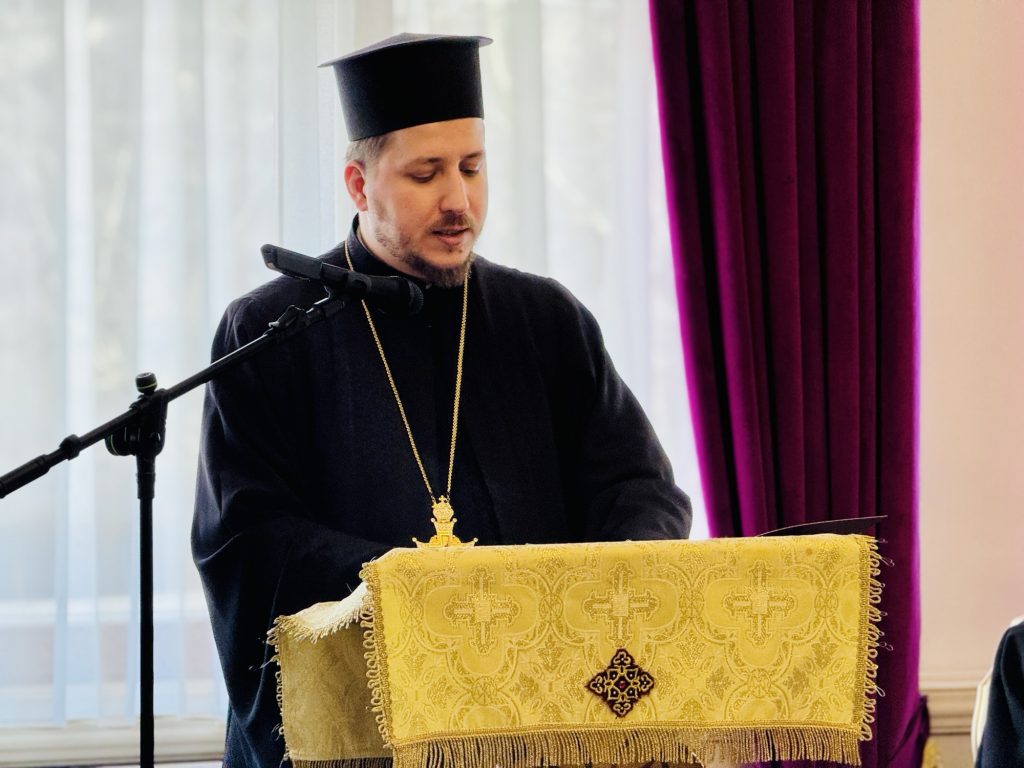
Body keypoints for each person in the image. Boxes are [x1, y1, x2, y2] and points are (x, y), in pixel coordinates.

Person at [193, 32, 692, 767]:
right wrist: (414, 587)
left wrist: (606, 579)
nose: (459, 201)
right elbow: (247, 539)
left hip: (536, 720)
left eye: (472, 168)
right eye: (425, 174)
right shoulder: (271, 329)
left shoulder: (544, 319)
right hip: (371, 728)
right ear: (359, 186)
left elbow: (640, 489)